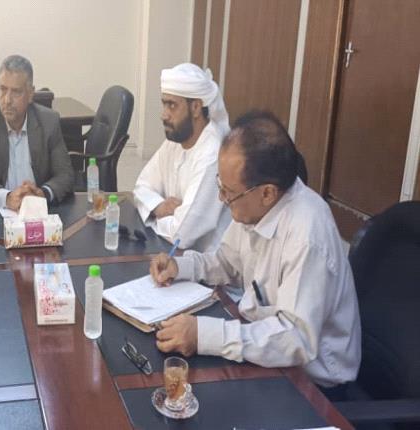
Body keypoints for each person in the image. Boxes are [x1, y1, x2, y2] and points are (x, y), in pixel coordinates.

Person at [149, 111, 361, 391]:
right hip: (266, 352)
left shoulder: (307, 235)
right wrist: (181, 267)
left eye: (229, 192)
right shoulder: (256, 207)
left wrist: (204, 335)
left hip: (313, 384)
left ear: (267, 193)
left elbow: (295, 339)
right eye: (220, 186)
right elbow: (227, 263)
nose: (222, 199)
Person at [133, 63, 231, 252]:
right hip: (170, 249)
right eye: (164, 104)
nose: (164, 115)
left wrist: (152, 216)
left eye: (172, 105)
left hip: (206, 261)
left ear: (196, 108)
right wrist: (159, 207)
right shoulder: (176, 140)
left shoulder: (212, 153)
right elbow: (141, 187)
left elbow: (181, 235)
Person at [0, 54, 74, 211]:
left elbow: (65, 175)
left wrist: (43, 194)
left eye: (16, 92)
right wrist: (7, 198)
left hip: (37, 211)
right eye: (3, 89)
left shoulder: (49, 121)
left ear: (30, 94)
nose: (7, 100)